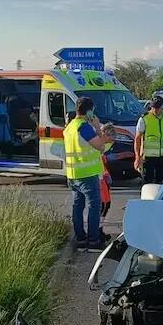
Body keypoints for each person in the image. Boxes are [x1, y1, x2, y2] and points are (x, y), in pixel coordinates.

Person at [65, 97, 115, 251]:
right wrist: (98, 128)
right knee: (94, 206)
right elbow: (101, 146)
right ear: (88, 111)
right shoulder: (84, 127)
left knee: (77, 207)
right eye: (92, 110)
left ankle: (80, 240)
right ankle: (93, 241)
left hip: (73, 174)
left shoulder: (70, 126)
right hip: (87, 174)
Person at [135, 97, 163, 184]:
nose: (156, 110)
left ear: (162, 107)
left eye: (158, 107)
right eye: (154, 107)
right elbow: (137, 138)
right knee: (148, 181)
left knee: (160, 181)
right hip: (148, 157)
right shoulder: (144, 118)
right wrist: (137, 157)